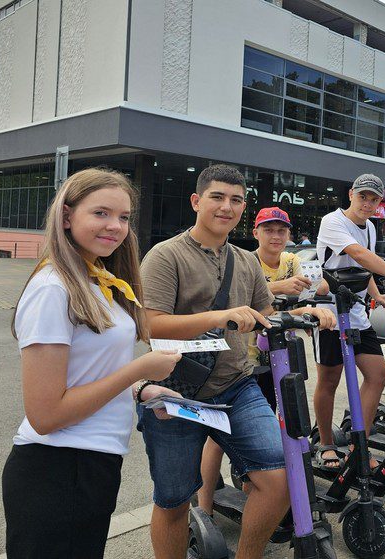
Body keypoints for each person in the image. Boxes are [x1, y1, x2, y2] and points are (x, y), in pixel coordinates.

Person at [138, 165, 335, 559]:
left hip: (236, 385)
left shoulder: (245, 261)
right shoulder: (165, 255)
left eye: (236, 200)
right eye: (217, 197)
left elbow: (264, 313)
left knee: (281, 480)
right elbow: (149, 324)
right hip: (175, 391)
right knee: (174, 501)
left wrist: (306, 312)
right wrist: (218, 317)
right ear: (196, 201)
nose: (227, 207)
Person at [2, 168, 182, 559]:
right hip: (58, 468)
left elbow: (87, 374)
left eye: (123, 217)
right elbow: (46, 414)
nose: (115, 226)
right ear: (67, 217)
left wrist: (141, 389)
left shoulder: (97, 280)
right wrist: (139, 369)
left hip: (91, 465)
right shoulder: (54, 287)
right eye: (100, 213)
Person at [197, 206, 327, 514]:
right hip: (244, 359)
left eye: (281, 230)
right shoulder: (245, 261)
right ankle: (204, 510)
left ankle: (254, 492)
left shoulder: (293, 260)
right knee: (219, 434)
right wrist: (280, 289)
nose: (276, 236)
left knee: (276, 423)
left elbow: (314, 286)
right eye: (268, 229)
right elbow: (237, 299)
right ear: (256, 233)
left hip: (280, 355)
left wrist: (310, 298)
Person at [314, 173, 385, 471]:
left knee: (377, 375)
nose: (368, 203)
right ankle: (325, 443)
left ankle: (355, 443)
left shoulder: (371, 227)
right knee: (330, 380)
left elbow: (366, 267)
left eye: (374, 199)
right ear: (351, 194)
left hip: (357, 313)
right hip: (330, 315)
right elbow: (358, 254)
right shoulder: (332, 221)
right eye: (363, 196)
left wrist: (380, 296)